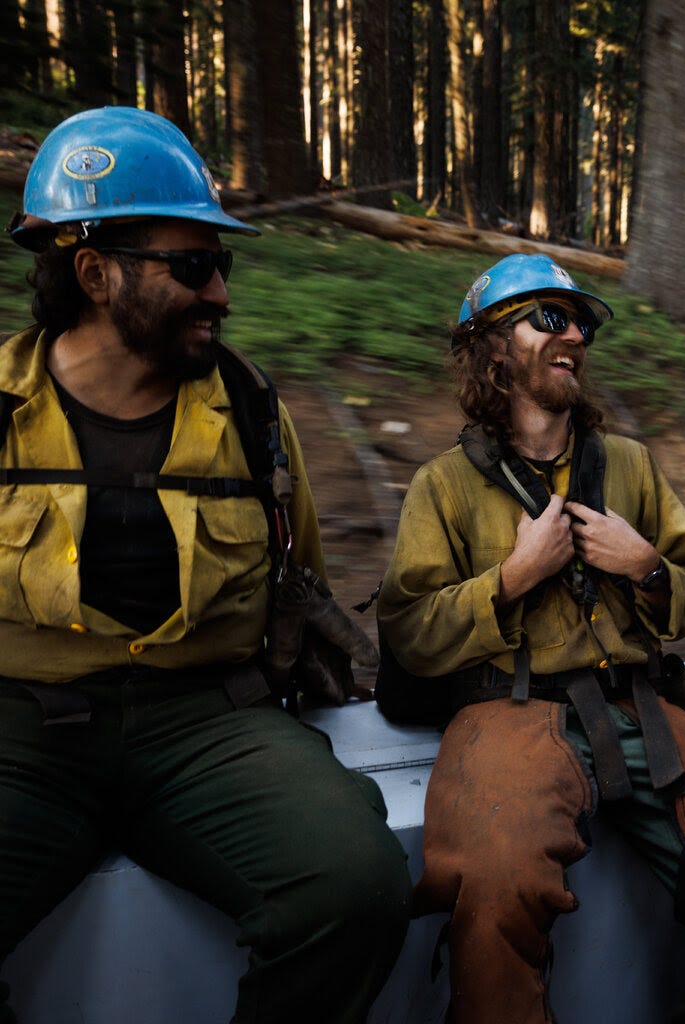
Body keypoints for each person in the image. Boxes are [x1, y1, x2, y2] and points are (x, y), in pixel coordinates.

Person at [0, 106, 410, 1023]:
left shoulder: (252, 410)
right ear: (96, 273)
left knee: (358, 882)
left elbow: (294, 567)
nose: (221, 293)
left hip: (208, 725)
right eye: (193, 266)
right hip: (22, 732)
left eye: (223, 265)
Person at [376, 253, 685, 1024]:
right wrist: (512, 579)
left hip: (642, 709)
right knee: (494, 907)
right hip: (505, 716)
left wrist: (645, 566)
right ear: (490, 346)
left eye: (581, 321)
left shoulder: (631, 467)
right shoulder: (442, 486)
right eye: (548, 317)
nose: (574, 333)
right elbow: (410, 632)